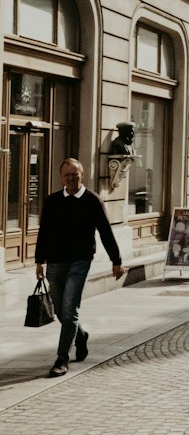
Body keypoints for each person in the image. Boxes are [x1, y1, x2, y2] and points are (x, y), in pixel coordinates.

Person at [34, 158, 125, 377]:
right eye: (67, 175)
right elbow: (44, 232)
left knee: (70, 309)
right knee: (59, 310)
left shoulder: (92, 200)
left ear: (81, 175)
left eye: (75, 174)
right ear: (61, 177)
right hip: (55, 261)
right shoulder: (53, 201)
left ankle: (62, 359)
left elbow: (105, 231)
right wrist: (39, 261)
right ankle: (80, 336)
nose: (72, 178)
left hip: (80, 261)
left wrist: (116, 260)